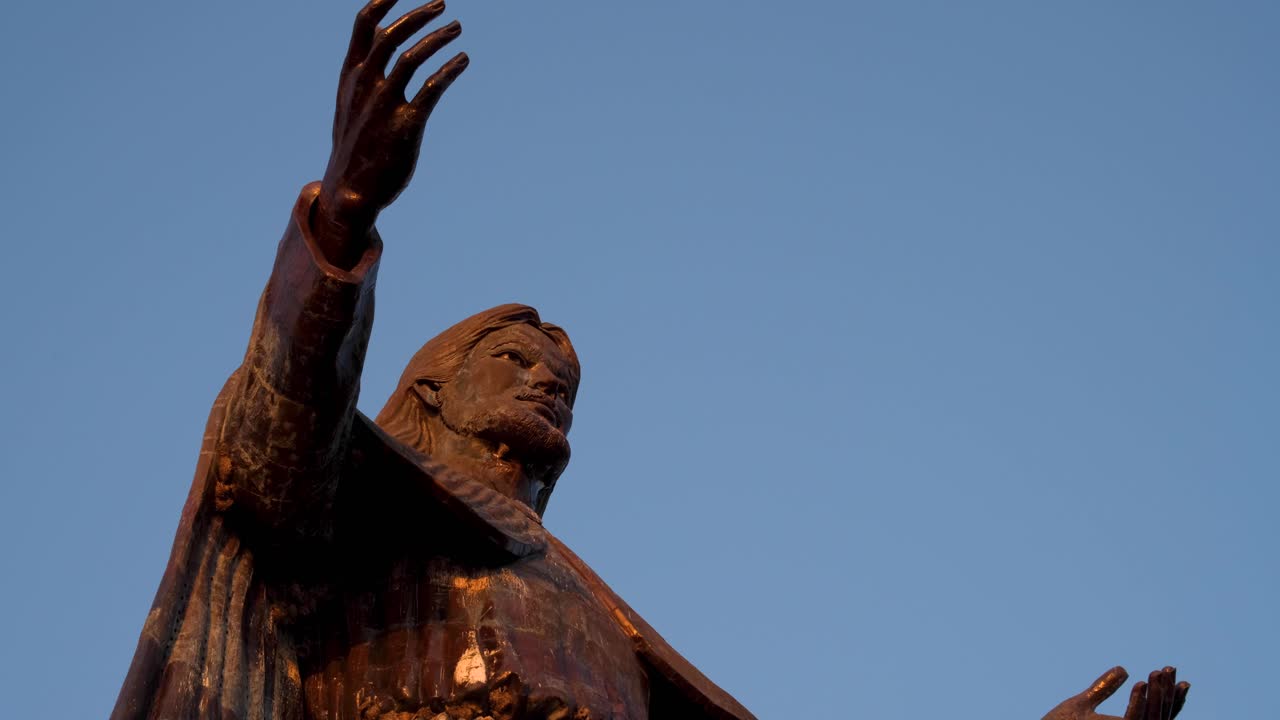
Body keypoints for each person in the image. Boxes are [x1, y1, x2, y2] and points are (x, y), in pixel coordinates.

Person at [110, 2, 1189, 719]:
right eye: (513, 355)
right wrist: (340, 218)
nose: (546, 376)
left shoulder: (593, 611)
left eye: (560, 376)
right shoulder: (360, 497)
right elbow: (277, 430)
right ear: (431, 385)